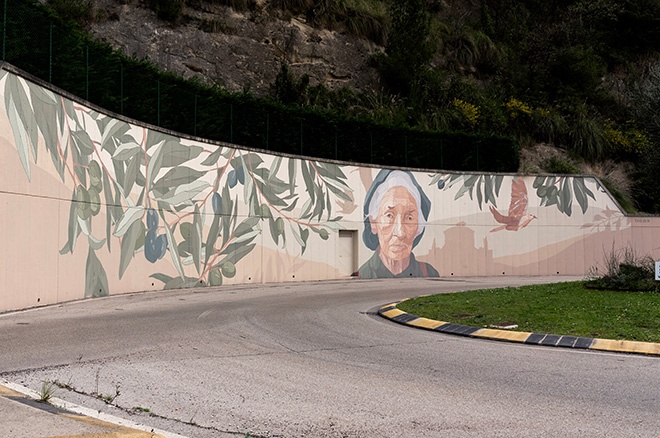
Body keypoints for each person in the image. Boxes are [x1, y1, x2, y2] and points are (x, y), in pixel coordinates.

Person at [358, 169, 438, 278]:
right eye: (389, 215)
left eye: (409, 218)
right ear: (373, 223)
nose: (400, 233)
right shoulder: (362, 275)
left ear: (419, 228)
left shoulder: (429, 273)